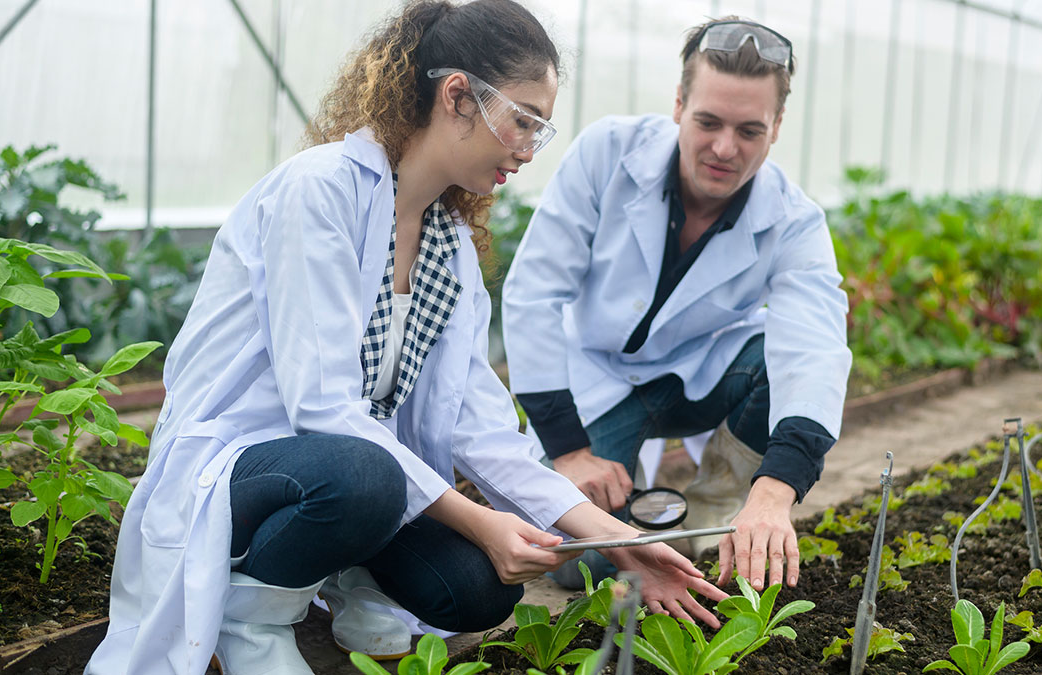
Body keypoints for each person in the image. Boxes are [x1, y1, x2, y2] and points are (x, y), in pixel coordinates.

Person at [85, 3, 726, 674]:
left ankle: (337, 571)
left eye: (541, 127)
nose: (529, 148)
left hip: (348, 484)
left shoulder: (446, 246)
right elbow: (321, 409)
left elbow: (481, 430)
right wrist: (481, 521)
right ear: (457, 96)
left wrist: (622, 541)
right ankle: (254, 614)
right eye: (524, 119)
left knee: (479, 587)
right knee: (368, 475)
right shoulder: (322, 192)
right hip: (249, 466)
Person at [502, 17, 852, 594]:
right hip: (597, 374)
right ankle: (637, 503)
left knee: (775, 356)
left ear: (778, 126)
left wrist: (774, 492)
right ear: (679, 104)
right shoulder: (607, 154)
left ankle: (712, 513)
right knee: (576, 561)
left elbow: (813, 349)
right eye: (708, 122)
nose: (724, 148)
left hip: (698, 376)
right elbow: (534, 293)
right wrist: (569, 452)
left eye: (749, 131)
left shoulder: (793, 220)